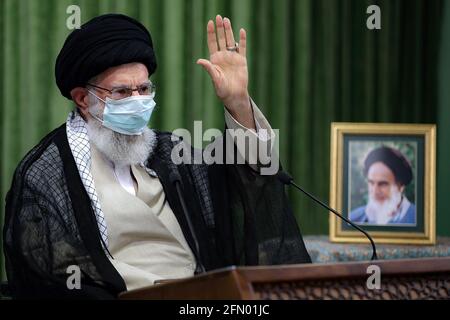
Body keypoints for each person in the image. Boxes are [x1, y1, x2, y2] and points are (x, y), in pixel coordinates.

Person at [3, 14, 311, 299]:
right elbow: (47, 272)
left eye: (144, 88)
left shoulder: (169, 151)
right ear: (83, 99)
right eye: (122, 92)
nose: (138, 101)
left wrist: (238, 102)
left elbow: (248, 177)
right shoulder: (48, 172)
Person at [349, 146, 416, 225]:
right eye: (371, 183)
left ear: (401, 186)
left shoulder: (418, 219)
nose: (375, 191)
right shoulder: (353, 219)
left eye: (383, 184)